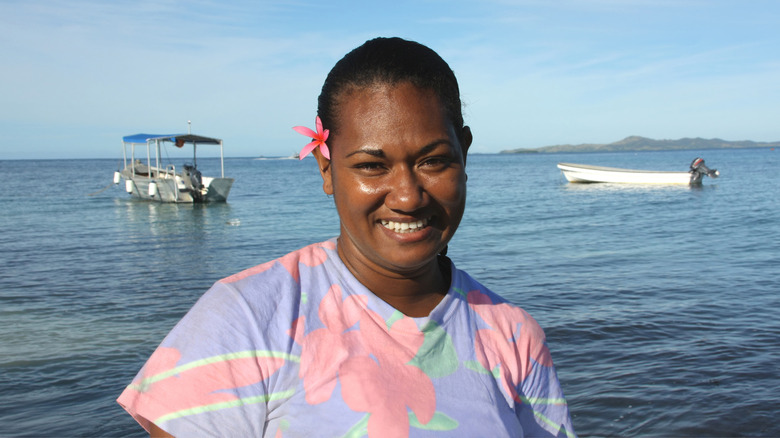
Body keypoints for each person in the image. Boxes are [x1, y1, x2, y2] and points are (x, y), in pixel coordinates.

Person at [118, 37, 576, 437]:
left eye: (433, 161)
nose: (408, 197)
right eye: (372, 166)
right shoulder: (246, 318)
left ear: (465, 153)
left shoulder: (513, 335)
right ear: (327, 168)